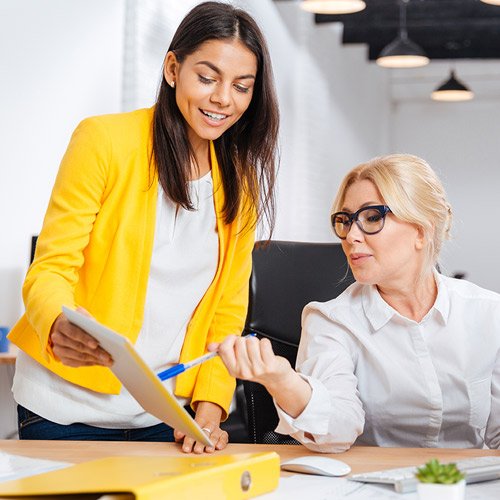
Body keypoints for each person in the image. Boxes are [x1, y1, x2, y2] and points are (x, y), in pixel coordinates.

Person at [8, 1, 279, 454]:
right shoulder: (104, 141)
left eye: (242, 86)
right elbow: (51, 267)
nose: (223, 99)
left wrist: (209, 408)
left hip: (163, 415)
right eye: (207, 78)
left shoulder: (241, 184)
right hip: (62, 408)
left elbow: (226, 314)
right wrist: (56, 322)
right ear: (173, 68)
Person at [213, 154, 500, 452]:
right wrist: (282, 380)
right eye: (345, 220)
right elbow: (337, 431)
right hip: (372, 485)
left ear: (421, 231)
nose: (351, 236)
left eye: (372, 218)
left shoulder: (489, 314)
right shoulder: (331, 320)